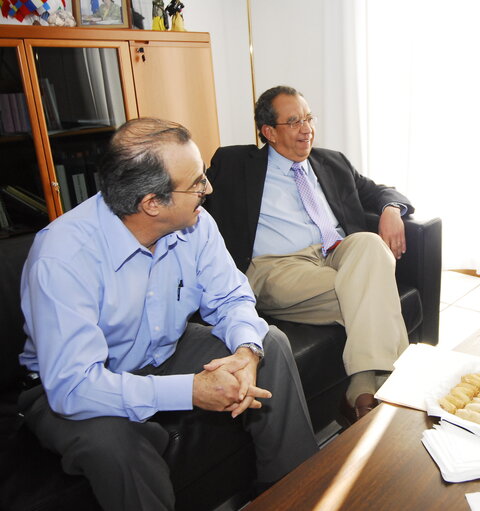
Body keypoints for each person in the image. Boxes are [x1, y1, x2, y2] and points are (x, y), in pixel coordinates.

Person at [17, 118, 318, 510]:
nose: (208, 189)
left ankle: (295, 493)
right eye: (196, 182)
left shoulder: (196, 225)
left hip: (162, 349)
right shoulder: (62, 258)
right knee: (115, 446)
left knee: (269, 343)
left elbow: (231, 297)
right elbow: (74, 386)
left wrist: (246, 351)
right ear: (152, 203)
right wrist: (191, 390)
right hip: (74, 382)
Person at [205, 85, 413, 421]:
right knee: (370, 290)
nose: (307, 129)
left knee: (370, 246)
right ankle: (381, 383)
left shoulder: (331, 161)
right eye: (294, 121)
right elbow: (189, 194)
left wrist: (390, 209)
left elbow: (378, 191)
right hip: (276, 267)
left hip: (335, 254)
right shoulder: (233, 164)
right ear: (268, 132)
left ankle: (361, 390)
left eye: (308, 118)